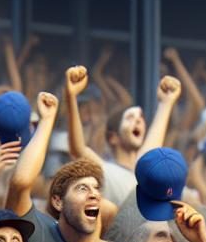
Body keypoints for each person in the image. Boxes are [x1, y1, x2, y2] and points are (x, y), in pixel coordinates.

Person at [5, 92, 129, 242]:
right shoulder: (38, 235)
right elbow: (20, 183)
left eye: (96, 189)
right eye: (82, 188)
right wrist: (47, 120)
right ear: (58, 201)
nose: (93, 195)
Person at [62, 65, 182, 205]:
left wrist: (166, 102)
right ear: (113, 138)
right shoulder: (105, 170)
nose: (138, 120)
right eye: (130, 118)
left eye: (141, 118)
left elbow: (150, 149)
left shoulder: (145, 172)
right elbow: (78, 149)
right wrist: (71, 96)